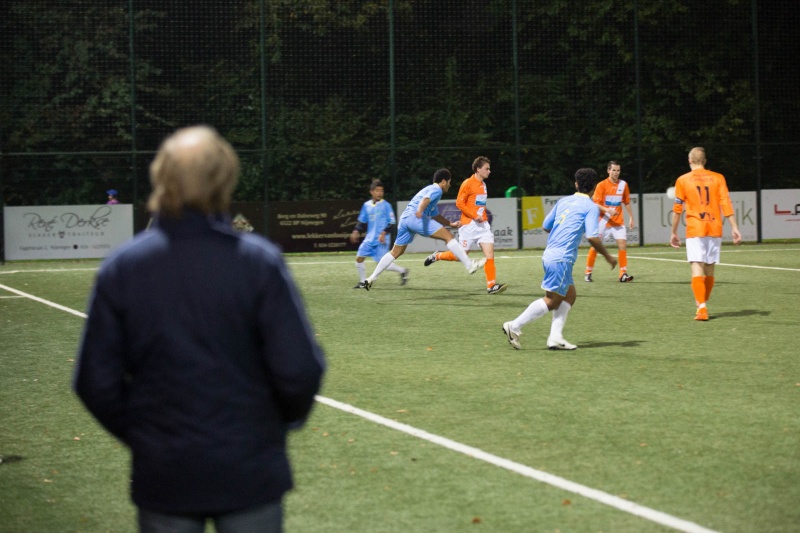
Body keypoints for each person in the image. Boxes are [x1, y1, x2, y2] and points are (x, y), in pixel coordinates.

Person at [73, 126, 326, 533]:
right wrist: (267, 429)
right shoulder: (258, 262)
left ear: (161, 179)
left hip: (165, 474)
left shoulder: (123, 268)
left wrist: (146, 436)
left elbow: (94, 382)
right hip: (249, 469)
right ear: (225, 180)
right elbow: (299, 370)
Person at [502, 168, 617, 350]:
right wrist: (608, 256)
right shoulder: (591, 207)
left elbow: (546, 226)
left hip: (551, 254)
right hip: (562, 258)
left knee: (570, 295)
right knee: (552, 300)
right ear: (594, 187)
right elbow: (593, 237)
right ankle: (514, 326)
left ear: (576, 184)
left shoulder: (563, 201)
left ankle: (555, 337)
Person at [362, 168, 485, 290]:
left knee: (395, 252)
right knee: (449, 237)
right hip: (416, 217)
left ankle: (371, 278)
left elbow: (435, 214)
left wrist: (450, 223)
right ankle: (470, 265)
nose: (450, 184)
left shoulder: (430, 189)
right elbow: (425, 200)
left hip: (405, 219)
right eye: (449, 182)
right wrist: (420, 211)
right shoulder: (437, 189)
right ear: (443, 182)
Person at [670, 146, 742, 321]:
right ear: (704, 161)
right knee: (709, 269)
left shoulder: (682, 180)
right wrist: (734, 227)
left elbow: (677, 209)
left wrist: (673, 231)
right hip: (714, 227)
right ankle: (702, 301)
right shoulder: (718, 178)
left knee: (697, 266)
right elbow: (726, 204)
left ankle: (701, 308)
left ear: (690, 161)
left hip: (695, 228)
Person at [423, 156, 508, 295]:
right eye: (486, 168)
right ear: (478, 169)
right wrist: (475, 216)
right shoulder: (467, 183)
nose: (489, 171)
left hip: (483, 227)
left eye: (489, 168)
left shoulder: (484, 185)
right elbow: (459, 203)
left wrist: (482, 218)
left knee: (489, 254)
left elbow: (479, 205)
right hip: (468, 226)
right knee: (459, 256)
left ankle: (491, 286)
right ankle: (437, 256)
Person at [350, 179, 409, 289]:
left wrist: (383, 233)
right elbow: (362, 221)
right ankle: (363, 282)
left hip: (382, 240)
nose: (380, 193)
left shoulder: (386, 205)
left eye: (381, 191)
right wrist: (356, 231)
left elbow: (392, 223)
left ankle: (402, 271)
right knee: (359, 259)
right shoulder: (366, 205)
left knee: (382, 264)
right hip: (369, 239)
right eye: (377, 190)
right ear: (371, 192)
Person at [584, 161, 635, 282]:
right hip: (603, 221)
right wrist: (608, 210)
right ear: (608, 171)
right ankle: (588, 272)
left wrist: (631, 217)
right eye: (614, 170)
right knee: (596, 247)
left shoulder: (623, 184)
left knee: (622, 244)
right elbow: (595, 204)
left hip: (618, 221)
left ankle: (623, 274)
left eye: (618, 170)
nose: (616, 173)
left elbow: (626, 202)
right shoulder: (601, 185)